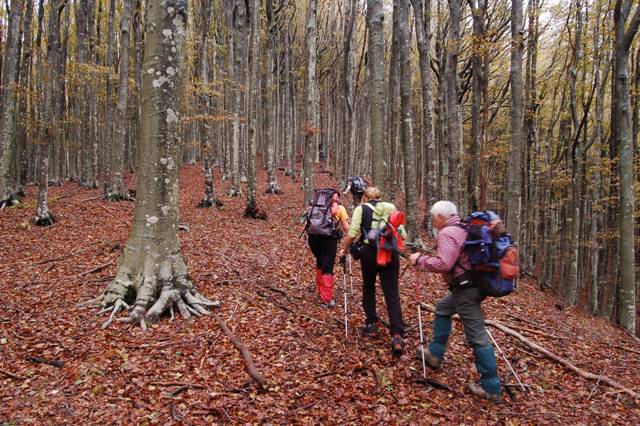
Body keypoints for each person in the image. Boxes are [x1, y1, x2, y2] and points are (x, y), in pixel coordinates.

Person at [409, 201, 503, 403]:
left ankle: (491, 387)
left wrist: (420, 260)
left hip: (465, 290)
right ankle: (435, 354)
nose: (433, 222)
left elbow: (444, 263)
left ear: (441, 216)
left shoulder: (447, 233)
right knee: (443, 308)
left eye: (434, 218)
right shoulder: (463, 227)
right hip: (473, 285)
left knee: (477, 336)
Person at [339, 186, 406, 355]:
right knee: (392, 293)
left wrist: (344, 250)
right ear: (380, 197)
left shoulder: (361, 209)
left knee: (369, 287)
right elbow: (402, 234)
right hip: (389, 252)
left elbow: (352, 232)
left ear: (365, 198)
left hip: (369, 253)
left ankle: (372, 324)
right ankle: (397, 334)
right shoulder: (391, 208)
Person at [307, 191, 350, 308]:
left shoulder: (314, 206)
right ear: (335, 198)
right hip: (328, 240)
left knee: (320, 262)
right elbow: (347, 228)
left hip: (313, 239)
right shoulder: (339, 208)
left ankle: (321, 292)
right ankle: (326, 299)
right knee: (328, 267)